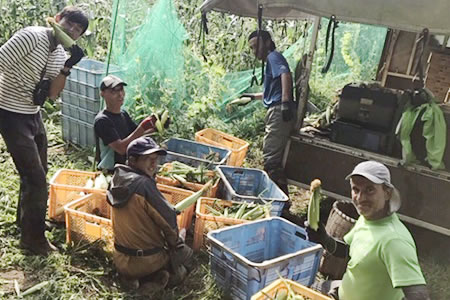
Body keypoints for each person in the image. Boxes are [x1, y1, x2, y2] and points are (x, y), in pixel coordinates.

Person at [0, 6, 88, 255]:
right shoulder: (31, 36)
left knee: (39, 170)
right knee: (36, 177)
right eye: (69, 24)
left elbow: (52, 93)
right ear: (57, 19)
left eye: (78, 30)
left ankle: (27, 222)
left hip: (32, 113)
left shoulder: (61, 53)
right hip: (9, 110)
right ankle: (33, 240)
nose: (71, 30)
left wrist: (68, 66)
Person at [306, 161, 430, 300]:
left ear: (387, 193)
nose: (360, 198)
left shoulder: (394, 240)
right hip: (343, 291)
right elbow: (348, 250)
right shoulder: (368, 218)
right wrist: (324, 239)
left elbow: (419, 295)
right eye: (356, 190)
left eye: (369, 190)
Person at [106, 136, 193, 293]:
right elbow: (168, 219)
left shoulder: (116, 179)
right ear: (132, 160)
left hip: (120, 258)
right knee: (185, 259)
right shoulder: (144, 185)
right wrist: (178, 244)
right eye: (148, 159)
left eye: (156, 159)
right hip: (147, 261)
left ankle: (131, 279)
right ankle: (155, 282)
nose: (154, 164)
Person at [243, 30, 296, 196]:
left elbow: (285, 74)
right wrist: (252, 97)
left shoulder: (274, 57)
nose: (255, 51)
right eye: (252, 48)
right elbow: (270, 92)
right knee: (272, 156)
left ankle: (281, 202)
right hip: (276, 108)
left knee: (271, 158)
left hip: (278, 110)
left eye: (256, 46)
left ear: (267, 42)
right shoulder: (269, 61)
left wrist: (286, 102)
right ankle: (278, 198)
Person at [94, 75, 156, 173]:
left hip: (126, 168)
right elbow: (121, 148)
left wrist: (155, 127)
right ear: (102, 94)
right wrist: (142, 127)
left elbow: (138, 135)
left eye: (121, 90)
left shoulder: (123, 114)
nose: (120, 95)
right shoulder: (102, 120)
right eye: (114, 91)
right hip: (111, 171)